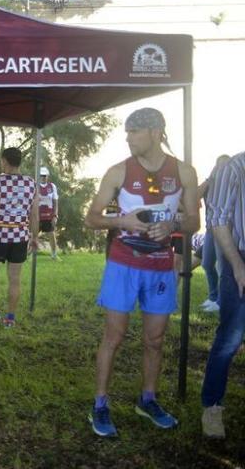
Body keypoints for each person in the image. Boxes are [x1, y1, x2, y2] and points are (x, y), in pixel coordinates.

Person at [84, 108, 199, 438]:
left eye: (133, 131)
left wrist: (172, 224)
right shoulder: (118, 171)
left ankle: (147, 400)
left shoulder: (184, 172)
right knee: (114, 337)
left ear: (155, 131)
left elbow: (194, 222)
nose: (127, 137)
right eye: (127, 131)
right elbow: (92, 218)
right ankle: (100, 404)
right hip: (123, 264)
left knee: (155, 339)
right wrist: (122, 221)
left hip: (161, 266)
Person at [200, 151, 245, 439]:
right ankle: (212, 406)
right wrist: (238, 265)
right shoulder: (235, 166)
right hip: (239, 258)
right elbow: (217, 219)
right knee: (230, 338)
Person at [0, 147, 38, 328]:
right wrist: (34, 237)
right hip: (20, 237)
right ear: (19, 162)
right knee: (15, 279)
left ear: (4, 161)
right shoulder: (32, 183)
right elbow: (34, 215)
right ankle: (10, 319)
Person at [198, 155, 232, 312]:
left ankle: (220, 301)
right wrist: (209, 178)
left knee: (223, 267)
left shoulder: (233, 183)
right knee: (206, 263)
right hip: (210, 230)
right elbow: (195, 195)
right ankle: (213, 297)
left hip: (225, 231)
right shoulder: (210, 184)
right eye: (219, 166)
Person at [37, 166, 60, 260]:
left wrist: (55, 216)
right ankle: (28, 255)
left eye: (45, 175)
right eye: (41, 175)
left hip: (48, 216)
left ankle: (54, 255)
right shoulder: (35, 186)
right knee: (32, 235)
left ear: (47, 176)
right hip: (37, 217)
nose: (43, 177)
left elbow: (55, 202)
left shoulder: (52, 186)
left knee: (51, 235)